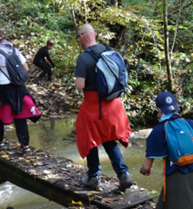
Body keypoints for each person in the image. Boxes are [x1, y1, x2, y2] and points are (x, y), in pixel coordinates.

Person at [74, 24, 132, 191]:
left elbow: (80, 85)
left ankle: (94, 177)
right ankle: (123, 174)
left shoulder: (83, 58)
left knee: (90, 139)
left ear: (82, 36)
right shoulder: (110, 51)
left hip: (94, 106)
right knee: (108, 139)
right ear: (95, 34)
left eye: (79, 35)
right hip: (114, 105)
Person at [140, 91, 193, 209]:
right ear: (176, 105)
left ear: (159, 110)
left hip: (176, 180)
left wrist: (143, 171)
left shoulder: (158, 131)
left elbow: (146, 167)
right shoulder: (190, 124)